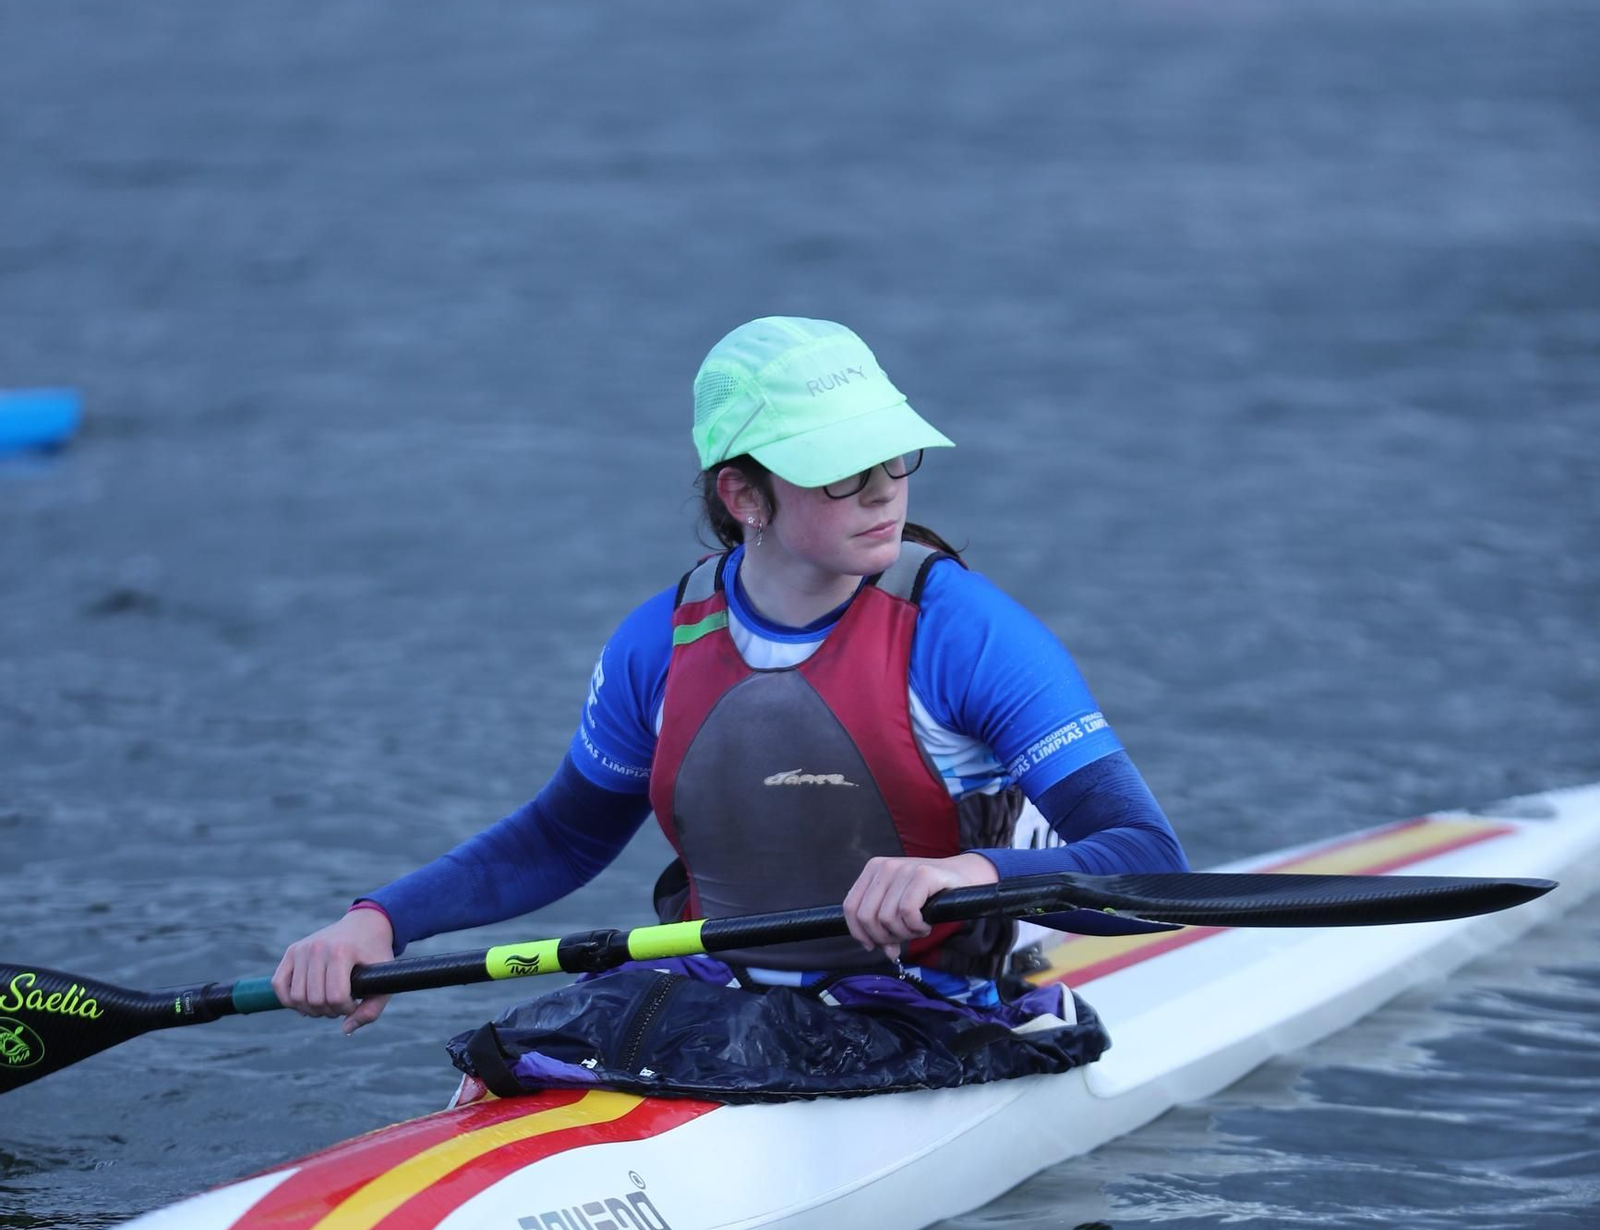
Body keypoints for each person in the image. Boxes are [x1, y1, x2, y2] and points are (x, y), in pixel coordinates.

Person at [274, 318, 1184, 1092]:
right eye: (838, 467)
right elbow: (563, 837)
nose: (882, 489)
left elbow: (1149, 870)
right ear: (743, 493)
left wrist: (969, 876)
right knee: (515, 1050)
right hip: (716, 1002)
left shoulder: (968, 634)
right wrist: (380, 921)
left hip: (924, 1014)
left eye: (892, 454)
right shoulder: (659, 643)